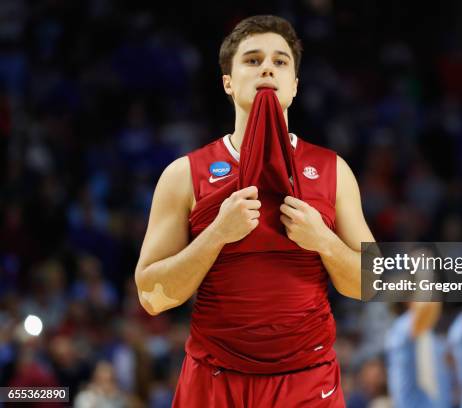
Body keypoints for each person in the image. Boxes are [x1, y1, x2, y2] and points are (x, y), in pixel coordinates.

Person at [134, 15, 374, 407]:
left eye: (281, 62)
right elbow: (151, 297)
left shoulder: (333, 170)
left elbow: (373, 284)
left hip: (307, 381)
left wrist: (324, 242)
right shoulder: (183, 175)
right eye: (252, 59)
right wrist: (216, 235)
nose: (267, 67)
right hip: (214, 379)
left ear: (294, 86)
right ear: (228, 81)